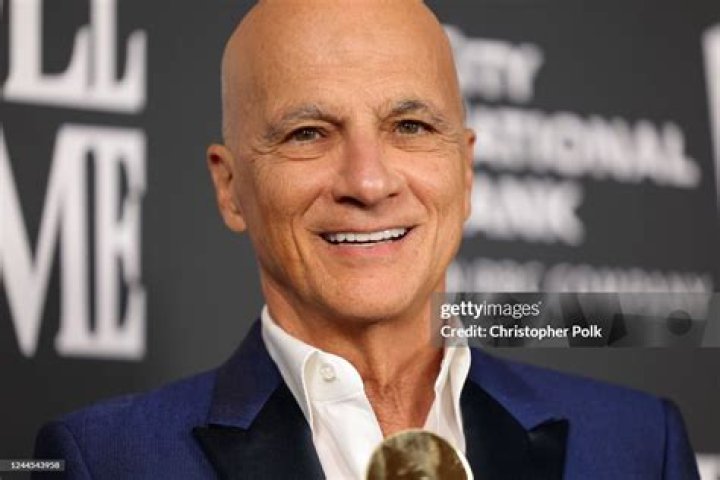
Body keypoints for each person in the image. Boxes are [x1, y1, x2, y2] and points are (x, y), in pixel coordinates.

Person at [34, 1, 700, 478]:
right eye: (308, 134)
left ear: (465, 171)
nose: (369, 181)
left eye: (410, 126)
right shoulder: (106, 459)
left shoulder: (638, 445)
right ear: (230, 187)